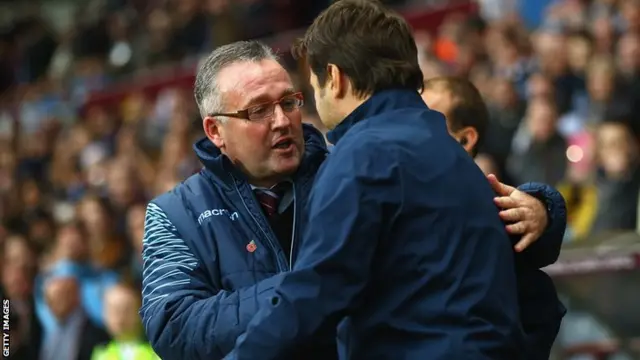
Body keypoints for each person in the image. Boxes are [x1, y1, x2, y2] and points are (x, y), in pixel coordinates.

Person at [141, 34, 562, 360]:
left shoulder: (355, 166)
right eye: (258, 110)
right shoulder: (174, 214)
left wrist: (544, 207)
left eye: (289, 102)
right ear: (215, 131)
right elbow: (175, 328)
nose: (281, 121)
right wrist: (310, 285)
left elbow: (457, 218)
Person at [224, 1, 524, 359]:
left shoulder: (363, 156)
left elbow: (316, 291)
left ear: (334, 78)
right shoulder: (448, 149)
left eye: (312, 85)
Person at [422, 76, 567, 360]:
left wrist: (544, 207)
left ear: (465, 139)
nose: (410, 127)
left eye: (427, 119)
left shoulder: (492, 206)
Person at [91, 284, 159, 360]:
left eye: (126, 310)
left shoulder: (156, 352)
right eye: (113, 311)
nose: (120, 317)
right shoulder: (101, 353)